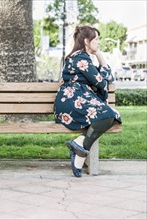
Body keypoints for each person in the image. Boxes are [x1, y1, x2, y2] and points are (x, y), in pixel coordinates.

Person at [54, 25, 122, 178]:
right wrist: (100, 56)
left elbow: (105, 80)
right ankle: (80, 152)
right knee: (109, 116)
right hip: (72, 102)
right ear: (86, 41)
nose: (98, 43)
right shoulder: (81, 58)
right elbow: (103, 83)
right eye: (96, 40)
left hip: (74, 100)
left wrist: (98, 54)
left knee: (110, 115)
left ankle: (79, 145)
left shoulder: (80, 57)